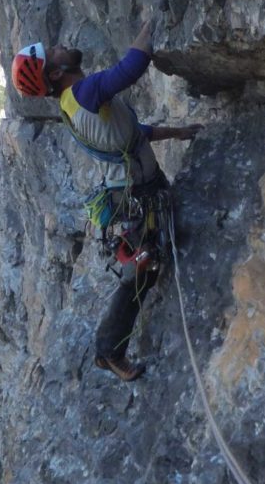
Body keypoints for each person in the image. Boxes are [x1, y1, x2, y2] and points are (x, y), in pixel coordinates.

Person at [12, 21, 200, 380]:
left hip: (134, 191)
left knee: (145, 267)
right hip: (137, 193)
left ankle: (110, 349)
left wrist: (177, 132)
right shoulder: (84, 92)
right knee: (139, 272)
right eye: (53, 51)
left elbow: (131, 135)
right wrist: (151, 22)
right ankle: (109, 351)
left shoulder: (73, 102)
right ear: (56, 71)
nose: (60, 45)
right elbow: (131, 68)